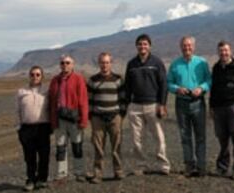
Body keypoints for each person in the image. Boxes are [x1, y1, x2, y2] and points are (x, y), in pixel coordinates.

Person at [124, 34, 170, 175]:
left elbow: (163, 84)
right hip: (135, 106)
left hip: (153, 105)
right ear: (136, 46)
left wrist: (162, 104)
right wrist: (127, 105)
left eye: (145, 44)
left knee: (158, 137)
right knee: (136, 139)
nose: (142, 46)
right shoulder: (131, 64)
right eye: (140, 44)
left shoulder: (157, 63)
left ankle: (163, 165)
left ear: (149, 46)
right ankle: (140, 165)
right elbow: (127, 86)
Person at [167, 36, 211, 177]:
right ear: (181, 47)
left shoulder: (202, 63)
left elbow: (209, 80)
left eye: (189, 45)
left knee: (200, 136)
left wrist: (202, 88)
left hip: (198, 103)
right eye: (184, 45)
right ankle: (189, 166)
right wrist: (177, 88)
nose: (187, 48)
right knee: (185, 136)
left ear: (194, 46)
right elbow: (168, 83)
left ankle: (201, 166)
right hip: (181, 103)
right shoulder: (175, 64)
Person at [209, 41, 234, 180]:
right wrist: (211, 107)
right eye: (221, 51)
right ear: (218, 52)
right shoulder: (216, 68)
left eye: (226, 50)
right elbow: (213, 90)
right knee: (222, 139)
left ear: (230, 51)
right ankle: (222, 166)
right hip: (219, 109)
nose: (223, 53)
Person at [87, 52, 127, 184]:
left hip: (114, 117)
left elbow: (123, 98)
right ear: (99, 63)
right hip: (98, 118)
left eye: (107, 62)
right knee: (98, 148)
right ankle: (98, 174)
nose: (104, 65)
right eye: (102, 62)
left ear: (111, 63)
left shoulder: (118, 79)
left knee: (116, 146)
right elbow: (89, 100)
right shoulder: (93, 80)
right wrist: (91, 116)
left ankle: (118, 171)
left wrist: (121, 114)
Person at [49, 55, 88, 182]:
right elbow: (51, 101)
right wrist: (52, 120)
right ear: (60, 65)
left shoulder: (78, 79)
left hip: (74, 118)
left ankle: (79, 172)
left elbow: (83, 100)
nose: (65, 65)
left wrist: (83, 119)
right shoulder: (55, 80)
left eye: (67, 62)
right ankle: (61, 173)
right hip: (60, 119)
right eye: (62, 63)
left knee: (77, 146)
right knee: (60, 147)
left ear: (72, 64)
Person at [16, 66, 51, 191]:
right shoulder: (21, 91)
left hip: (43, 127)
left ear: (42, 76)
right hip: (27, 128)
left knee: (44, 155)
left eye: (37, 74)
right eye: (32, 74)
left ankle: (42, 179)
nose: (35, 77)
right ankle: (30, 179)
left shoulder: (48, 90)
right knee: (29, 156)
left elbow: (52, 107)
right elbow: (18, 110)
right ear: (29, 76)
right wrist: (19, 128)